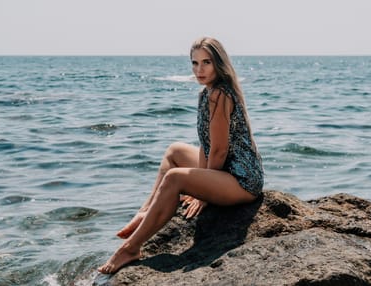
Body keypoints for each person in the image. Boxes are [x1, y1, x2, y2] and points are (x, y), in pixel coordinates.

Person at [98, 37, 264, 274]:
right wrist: (203, 182)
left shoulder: (220, 94)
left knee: (175, 178)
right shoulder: (206, 93)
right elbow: (207, 146)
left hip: (243, 180)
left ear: (220, 64)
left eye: (206, 62)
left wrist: (203, 193)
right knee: (175, 151)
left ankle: (130, 248)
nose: (199, 70)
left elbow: (220, 150)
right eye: (194, 63)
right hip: (225, 169)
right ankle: (146, 211)